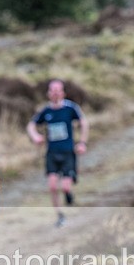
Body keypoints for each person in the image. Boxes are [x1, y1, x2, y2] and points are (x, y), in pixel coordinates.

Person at [26, 79, 89, 227]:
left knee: (65, 186)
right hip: (52, 153)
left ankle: (69, 194)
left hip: (68, 152)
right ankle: (60, 215)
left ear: (62, 93)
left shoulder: (70, 108)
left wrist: (82, 143)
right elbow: (31, 125)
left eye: (57, 90)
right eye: (52, 90)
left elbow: (84, 123)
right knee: (53, 186)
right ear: (48, 93)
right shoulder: (45, 111)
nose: (55, 93)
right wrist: (35, 137)